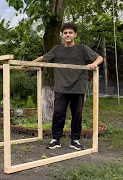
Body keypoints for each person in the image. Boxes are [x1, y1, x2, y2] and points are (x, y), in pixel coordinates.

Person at [31, 22, 103, 150]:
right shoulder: (57, 50)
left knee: (77, 114)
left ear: (75, 34)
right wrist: (29, 64)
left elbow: (99, 58)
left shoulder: (82, 49)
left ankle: (75, 140)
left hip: (78, 87)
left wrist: (94, 64)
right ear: (62, 35)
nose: (67, 35)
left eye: (70, 32)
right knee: (58, 113)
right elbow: (43, 57)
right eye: (65, 33)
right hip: (61, 88)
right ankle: (55, 139)